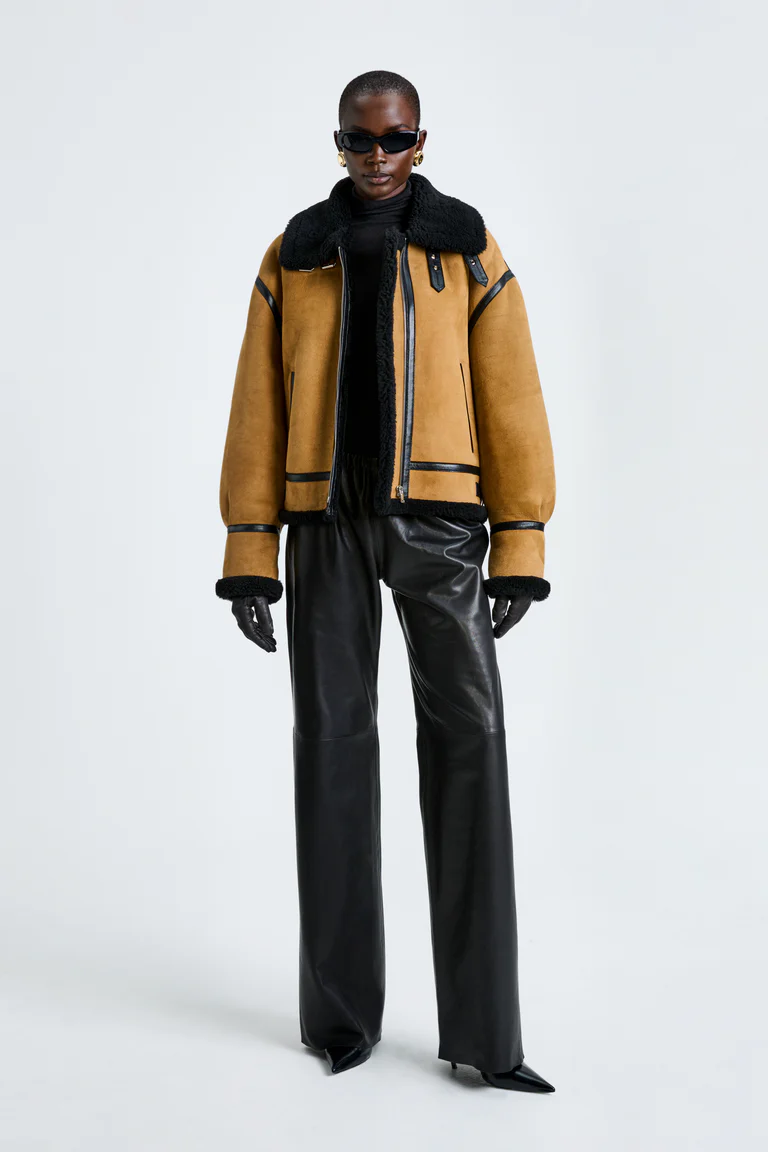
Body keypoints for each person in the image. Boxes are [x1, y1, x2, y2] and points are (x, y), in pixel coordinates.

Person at [215, 70, 556, 1092]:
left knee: (471, 746)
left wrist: (521, 543)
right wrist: (249, 552)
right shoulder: (296, 253)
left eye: (394, 139)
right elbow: (257, 406)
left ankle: (488, 1040)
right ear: (338, 143)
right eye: (359, 141)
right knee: (330, 751)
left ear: (420, 139)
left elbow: (512, 394)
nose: (376, 157)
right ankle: (339, 1023)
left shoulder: (466, 246)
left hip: (441, 524)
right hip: (322, 524)